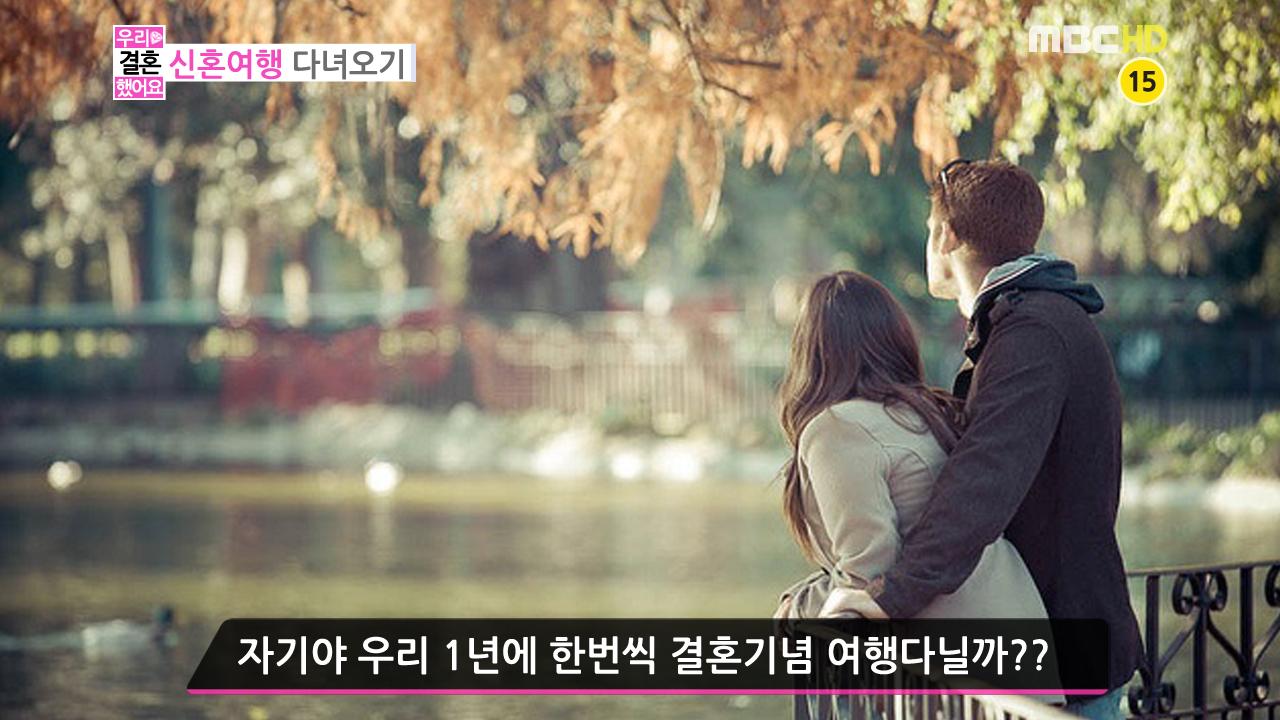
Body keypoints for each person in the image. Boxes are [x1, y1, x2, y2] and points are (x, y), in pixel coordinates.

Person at [812, 159, 1142, 720]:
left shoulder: (1033, 332)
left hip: (1061, 641)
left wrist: (889, 597)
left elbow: (982, 482)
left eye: (929, 230)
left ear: (945, 235)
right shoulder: (1030, 320)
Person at [772, 271, 1055, 623]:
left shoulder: (837, 427)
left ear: (809, 350)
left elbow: (867, 573)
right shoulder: (927, 411)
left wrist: (797, 608)